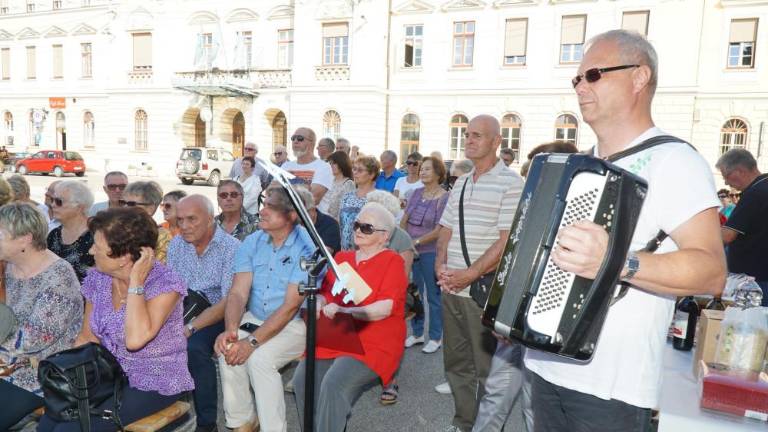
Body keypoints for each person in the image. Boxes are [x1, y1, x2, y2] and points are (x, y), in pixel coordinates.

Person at [524, 30, 726, 432]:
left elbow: (711, 274)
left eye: (594, 74)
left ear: (639, 78)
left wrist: (615, 260)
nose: (580, 86)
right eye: (577, 79)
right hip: (545, 364)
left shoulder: (674, 160)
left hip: (611, 386)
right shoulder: (580, 164)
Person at [39, 207, 194, 431]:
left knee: (71, 428)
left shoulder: (165, 284)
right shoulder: (99, 278)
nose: (91, 251)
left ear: (123, 257)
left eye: (97, 246)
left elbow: (135, 340)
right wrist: (70, 377)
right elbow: (87, 336)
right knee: (51, 419)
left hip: (155, 379)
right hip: (107, 372)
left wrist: (136, 283)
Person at [474, 141, 579, 432]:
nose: (533, 179)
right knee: (495, 393)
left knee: (536, 407)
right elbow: (513, 266)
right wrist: (503, 317)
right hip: (515, 327)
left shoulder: (581, 218)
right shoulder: (530, 208)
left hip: (546, 332)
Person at [435, 114, 524, 432]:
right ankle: (463, 423)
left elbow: (505, 241)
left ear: (497, 142)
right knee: (456, 364)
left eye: (477, 135)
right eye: (467, 134)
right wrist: (439, 265)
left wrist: (470, 274)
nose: (469, 140)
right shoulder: (460, 181)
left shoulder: (511, 183)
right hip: (451, 288)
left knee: (487, 369)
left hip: (480, 291)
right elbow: (444, 229)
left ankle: (486, 427)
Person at [293, 202, 408, 431]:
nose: (357, 230)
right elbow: (327, 293)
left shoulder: (392, 261)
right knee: (302, 380)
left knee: (334, 384)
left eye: (367, 228)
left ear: (384, 236)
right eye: (357, 225)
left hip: (373, 339)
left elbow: (384, 308)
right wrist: (322, 303)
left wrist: (347, 311)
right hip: (338, 334)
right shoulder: (343, 259)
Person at [214, 186, 314, 432]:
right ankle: (244, 424)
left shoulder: (307, 247)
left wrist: (251, 343)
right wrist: (231, 330)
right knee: (229, 350)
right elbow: (238, 292)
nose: (262, 211)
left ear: (292, 215)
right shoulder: (253, 240)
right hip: (255, 316)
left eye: (271, 206)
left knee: (259, 359)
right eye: (263, 203)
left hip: (295, 324)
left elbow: (291, 306)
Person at [0, 203, 82, 431]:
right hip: (8, 364)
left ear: (24, 239)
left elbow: (33, 340)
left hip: (40, 373)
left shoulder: (58, 279)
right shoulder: (10, 266)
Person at [167, 195, 240, 432]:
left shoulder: (231, 248)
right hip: (182, 309)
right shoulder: (177, 244)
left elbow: (230, 299)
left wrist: (190, 328)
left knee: (194, 349)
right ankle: (164, 413)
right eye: (180, 220)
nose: (185, 226)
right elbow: (170, 288)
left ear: (210, 219)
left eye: (191, 219)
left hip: (217, 314)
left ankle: (207, 423)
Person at [402, 156, 449, 354]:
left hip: (430, 252)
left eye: (427, 169)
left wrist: (417, 242)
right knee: (413, 293)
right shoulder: (415, 192)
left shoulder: (445, 196)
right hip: (409, 251)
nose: (422, 172)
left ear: (438, 173)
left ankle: (436, 337)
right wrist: (404, 241)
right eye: (421, 169)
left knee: (433, 296)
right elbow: (404, 219)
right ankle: (418, 332)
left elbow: (440, 229)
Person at [717, 148, 768, 303]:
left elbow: (727, 235)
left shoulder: (755, 193)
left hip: (755, 282)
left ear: (739, 171)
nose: (726, 182)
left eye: (726, 176)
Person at [48, 180, 95, 283]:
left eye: (59, 201)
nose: (53, 205)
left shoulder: (97, 236)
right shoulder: (54, 235)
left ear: (79, 207)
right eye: (52, 200)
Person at [121, 181, 171, 264]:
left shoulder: (161, 236)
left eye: (131, 204)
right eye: (123, 202)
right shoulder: (115, 229)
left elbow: (158, 269)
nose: (125, 207)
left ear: (150, 208)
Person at [282, 127, 334, 206]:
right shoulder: (286, 166)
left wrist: (283, 193)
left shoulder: (323, 167)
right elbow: (272, 191)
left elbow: (312, 198)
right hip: (286, 216)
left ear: (312, 143)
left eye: (300, 138)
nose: (295, 141)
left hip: (312, 217)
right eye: (293, 138)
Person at [339, 156, 379, 250]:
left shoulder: (377, 198)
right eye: (354, 169)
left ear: (371, 174)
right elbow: (341, 225)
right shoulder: (346, 197)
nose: (355, 173)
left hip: (368, 252)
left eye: (360, 170)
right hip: (346, 253)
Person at [296, 187, 341, 254]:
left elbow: (324, 254)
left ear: (312, 209)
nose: (297, 216)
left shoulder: (330, 225)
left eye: (301, 212)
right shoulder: (293, 223)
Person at [317, 151, 355, 222]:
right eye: (330, 163)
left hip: (337, 225)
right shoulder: (329, 180)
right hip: (323, 221)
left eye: (334, 163)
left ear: (341, 164)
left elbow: (348, 210)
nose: (331, 166)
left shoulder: (348, 184)